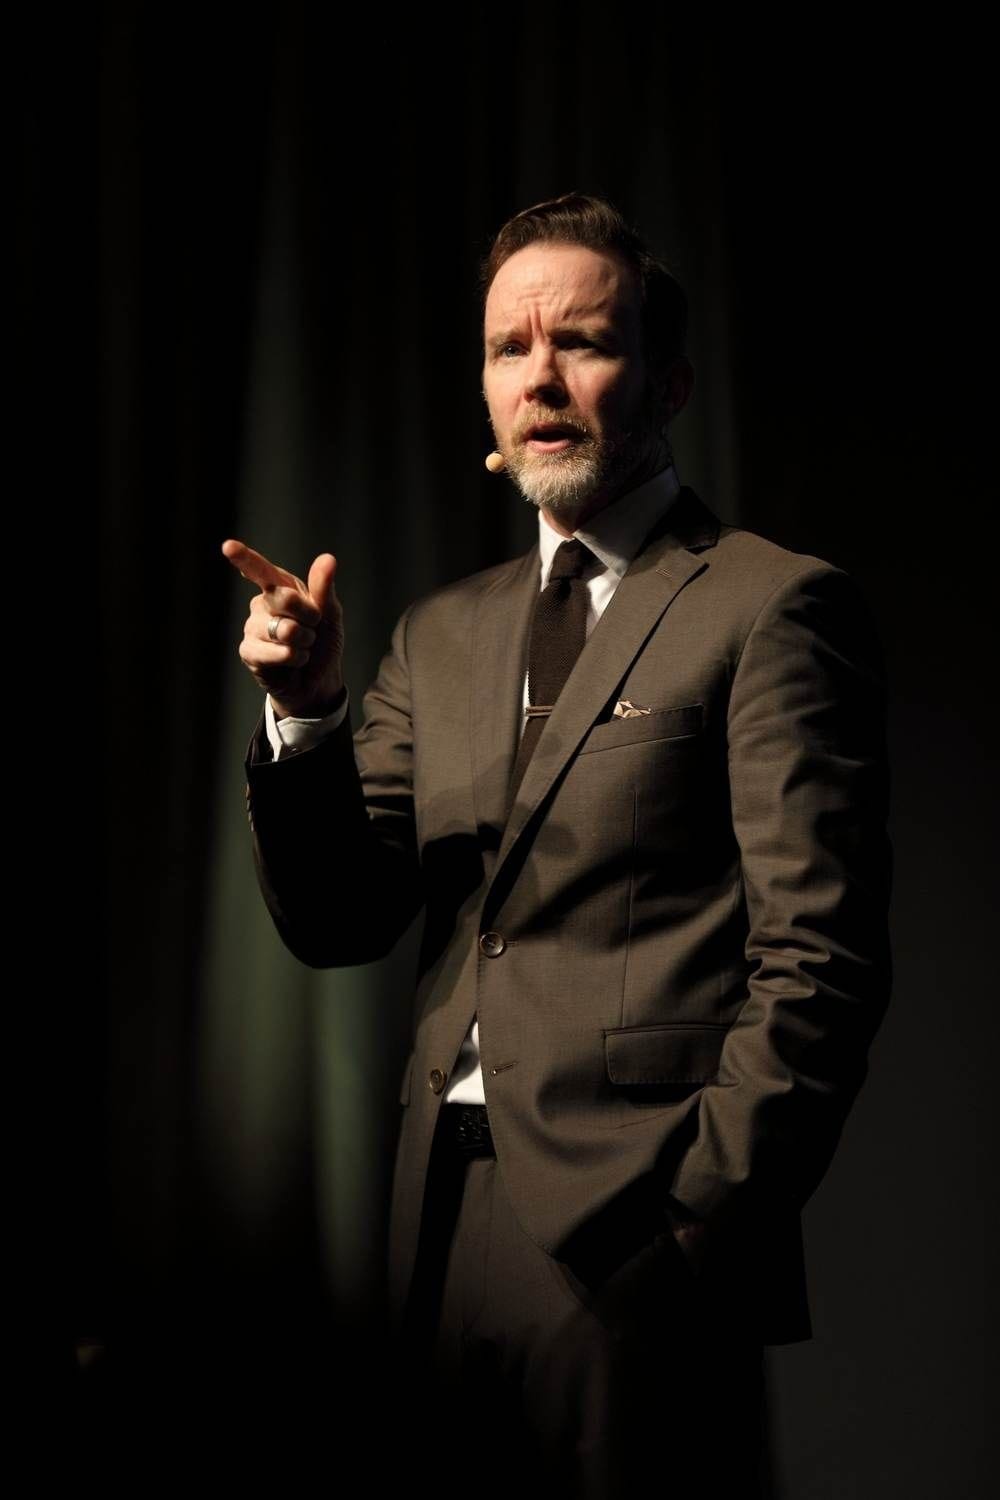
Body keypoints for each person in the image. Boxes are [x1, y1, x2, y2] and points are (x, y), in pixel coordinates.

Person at [223, 192, 892, 1497]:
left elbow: (824, 958)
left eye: (581, 340)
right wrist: (306, 716)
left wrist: (695, 1219)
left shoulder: (769, 605)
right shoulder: (441, 633)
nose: (541, 375)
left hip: (635, 1233)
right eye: (506, 348)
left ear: (668, 378)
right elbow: (344, 918)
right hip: (435, 1226)